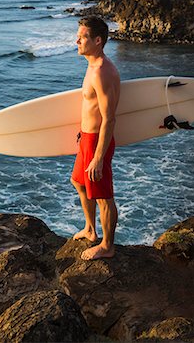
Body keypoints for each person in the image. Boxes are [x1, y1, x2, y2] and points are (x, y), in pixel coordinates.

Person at [71, 16, 120, 261]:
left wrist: (99, 158)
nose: (77, 40)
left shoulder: (101, 72)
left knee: (103, 197)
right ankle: (90, 230)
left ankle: (107, 245)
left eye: (83, 36)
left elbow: (109, 119)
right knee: (78, 182)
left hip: (96, 142)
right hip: (86, 138)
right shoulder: (91, 65)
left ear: (98, 41)